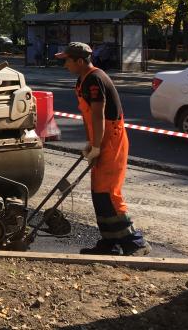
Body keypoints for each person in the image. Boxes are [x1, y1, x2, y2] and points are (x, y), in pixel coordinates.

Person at [55, 42, 150, 256]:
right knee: (98, 193)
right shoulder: (82, 80)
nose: (65, 65)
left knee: (108, 192)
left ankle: (136, 243)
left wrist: (97, 145)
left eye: (67, 61)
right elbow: (88, 116)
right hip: (101, 139)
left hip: (112, 140)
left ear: (80, 61)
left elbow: (98, 115)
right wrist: (91, 142)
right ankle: (110, 242)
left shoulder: (95, 79)